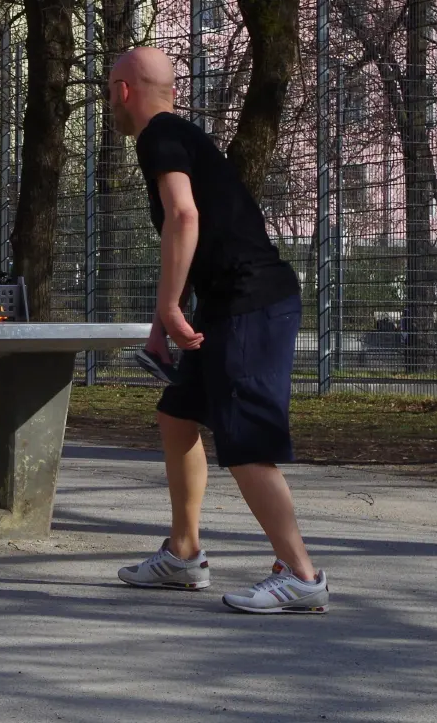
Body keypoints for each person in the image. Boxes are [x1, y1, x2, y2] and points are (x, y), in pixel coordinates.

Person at [109, 46, 328, 614]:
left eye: (111, 88)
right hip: (230, 300)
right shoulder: (176, 135)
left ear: (125, 91)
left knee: (246, 438)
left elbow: (184, 216)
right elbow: (187, 233)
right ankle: (184, 553)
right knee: (178, 415)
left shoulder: (158, 135)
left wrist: (168, 308)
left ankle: (301, 574)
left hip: (251, 301)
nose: (110, 98)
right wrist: (172, 310)